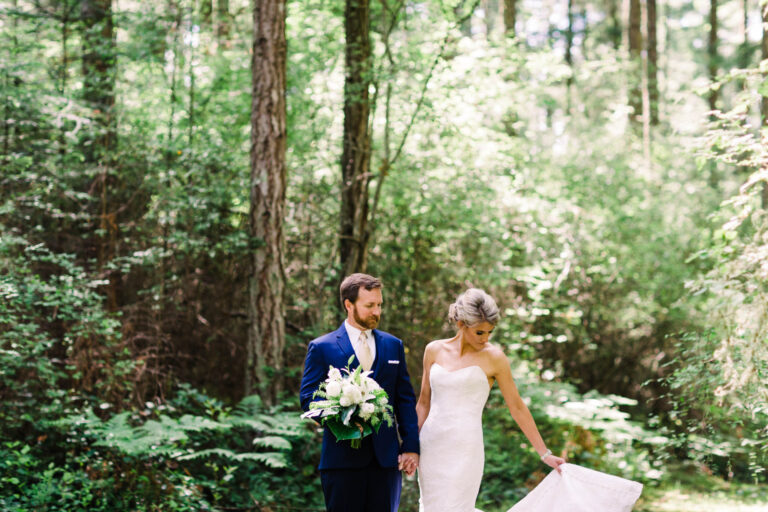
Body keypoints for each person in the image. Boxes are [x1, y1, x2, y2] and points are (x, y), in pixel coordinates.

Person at [416, 288, 566, 512]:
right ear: (461, 324)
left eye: (490, 332)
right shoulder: (434, 350)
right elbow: (424, 403)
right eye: (479, 332)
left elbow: (516, 407)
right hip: (431, 447)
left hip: (466, 450)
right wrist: (408, 446)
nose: (485, 338)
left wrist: (544, 453)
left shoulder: (495, 358)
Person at [299, 273, 420, 512]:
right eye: (369, 306)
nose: (377, 312)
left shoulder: (393, 345)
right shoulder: (322, 347)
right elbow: (308, 399)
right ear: (348, 304)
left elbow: (405, 399)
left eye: (379, 305)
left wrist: (410, 447)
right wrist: (342, 418)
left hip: (385, 461)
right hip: (341, 462)